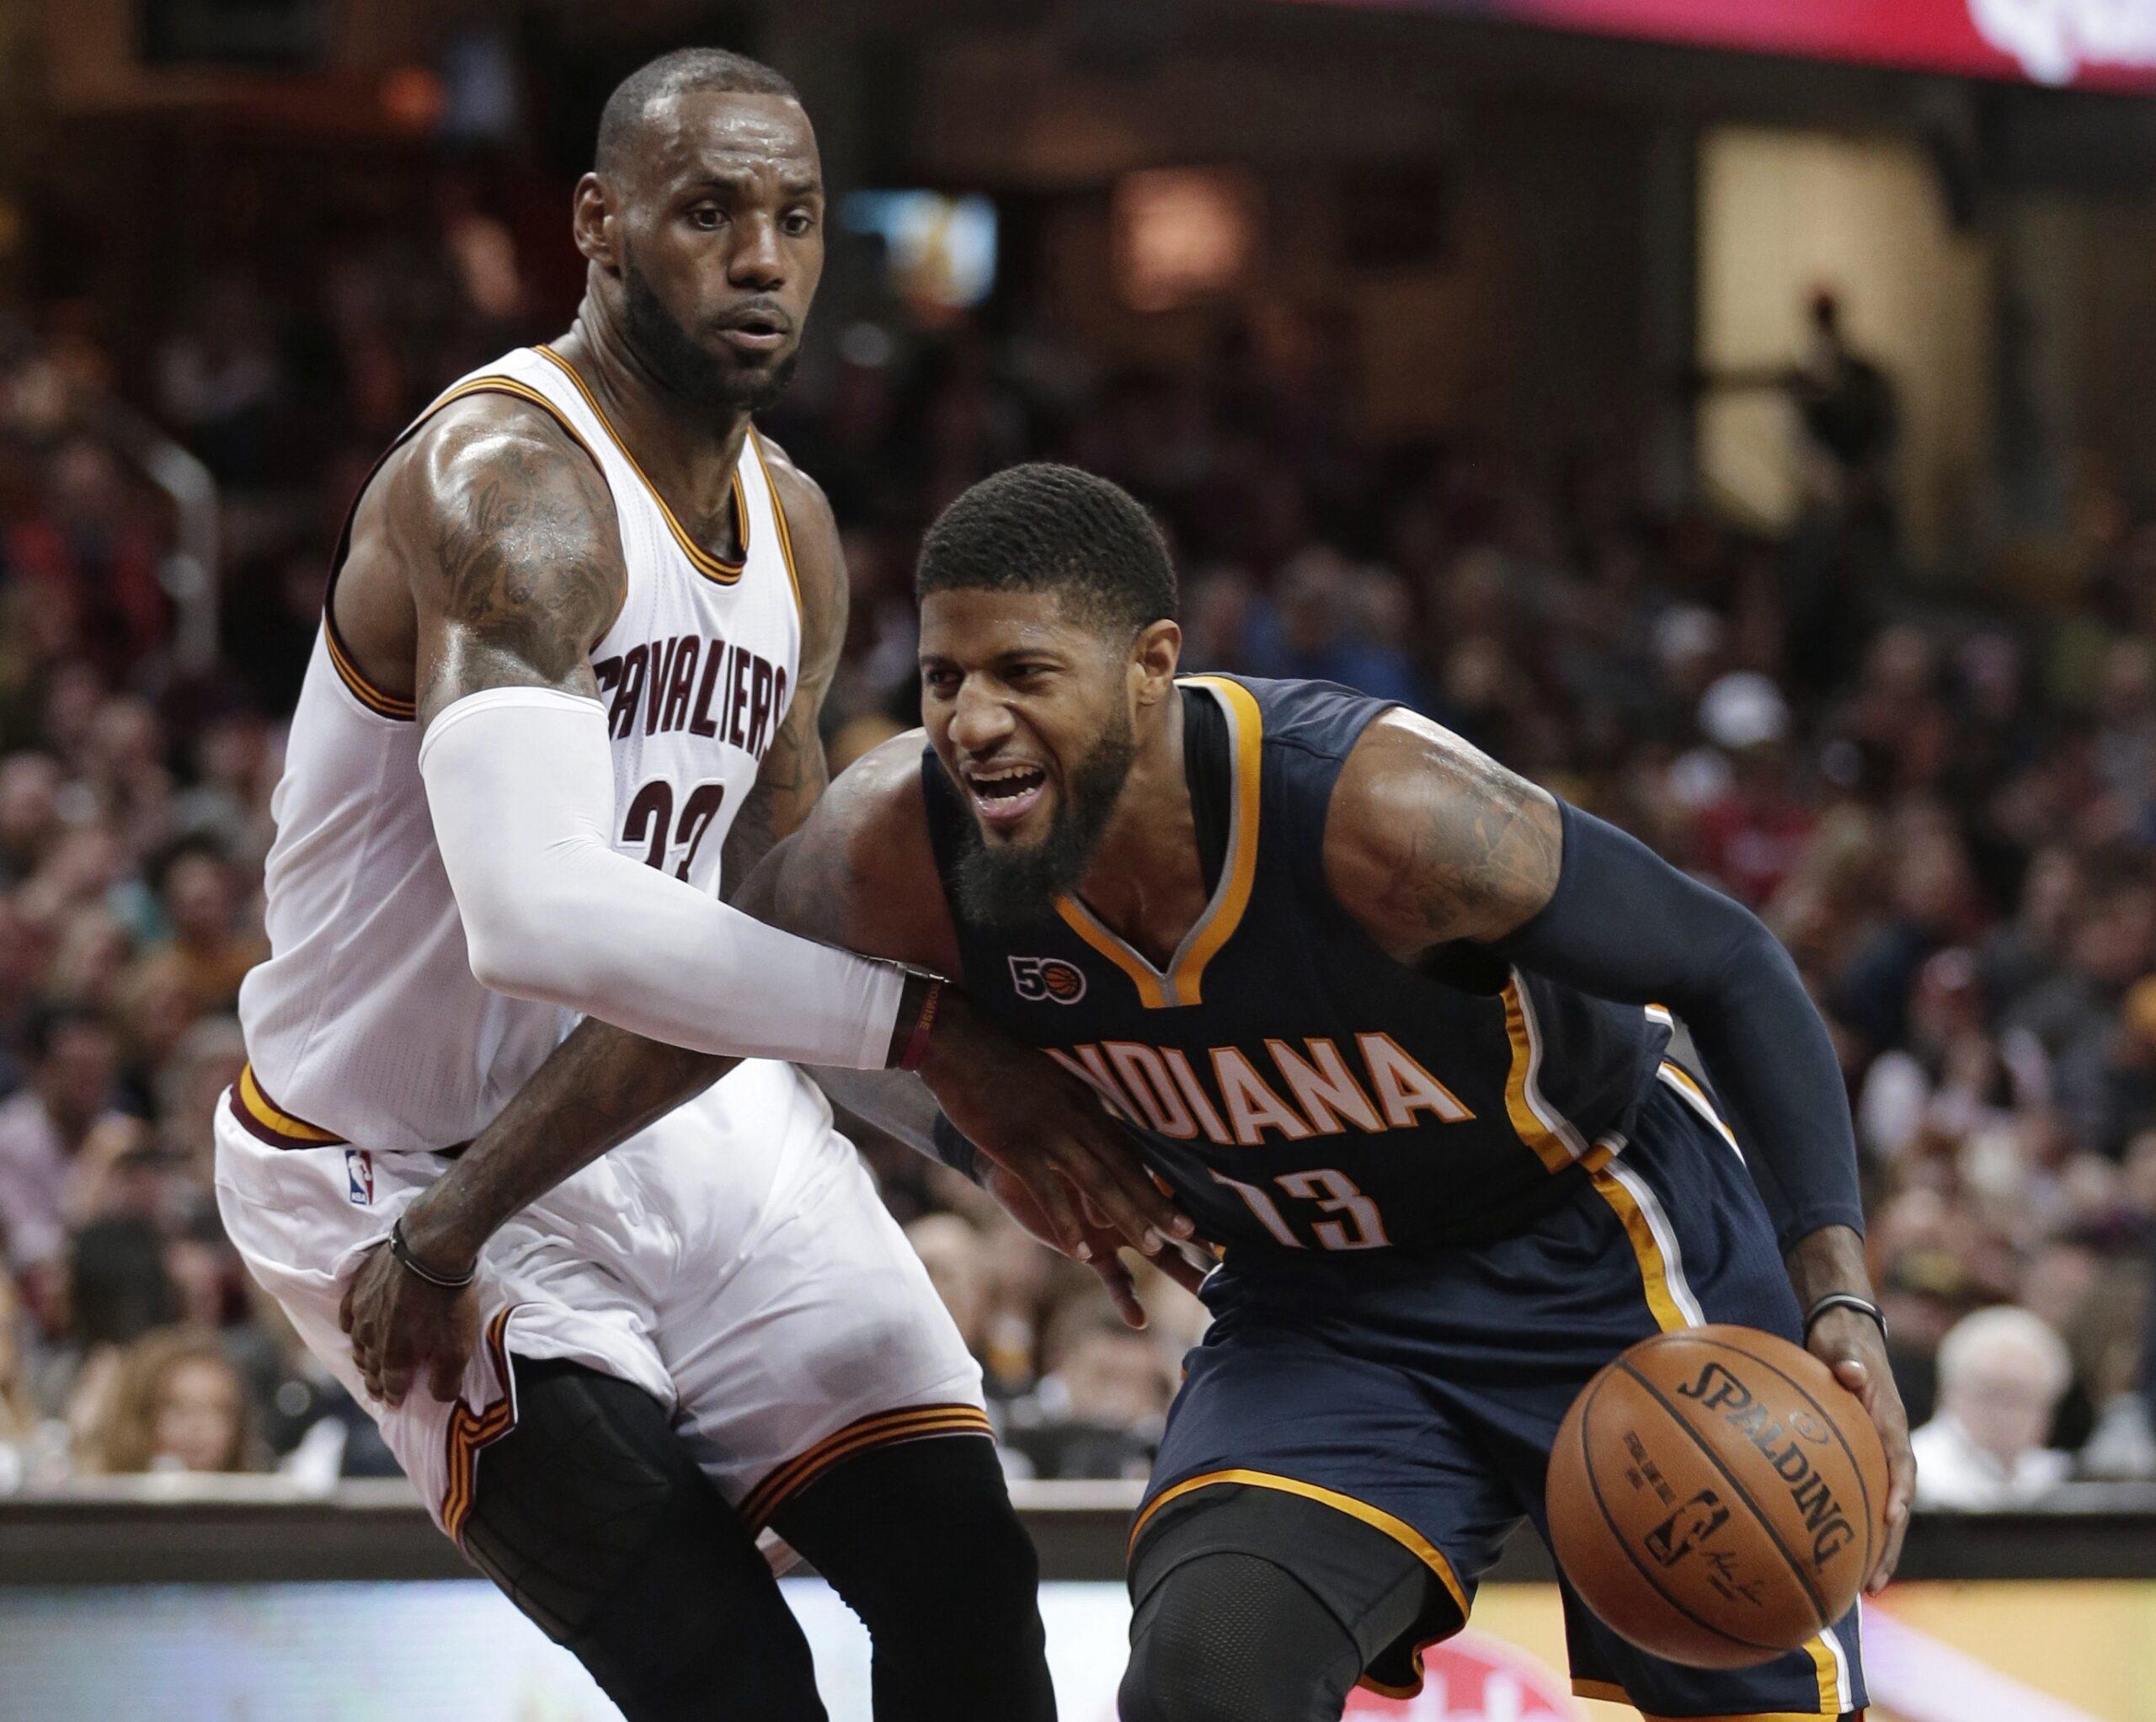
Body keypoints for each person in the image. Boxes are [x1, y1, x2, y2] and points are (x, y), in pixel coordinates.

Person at [214, 51, 1181, 1722]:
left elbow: (773, 934)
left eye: (796, 220)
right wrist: (935, 1037)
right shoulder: (506, 484)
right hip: (398, 1160)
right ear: (597, 224)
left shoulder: (789, 525)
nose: (761, 260)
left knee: (967, 1590)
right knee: (726, 1672)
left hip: (675, 1119)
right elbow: (541, 916)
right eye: (711, 213)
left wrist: (999, 1142)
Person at [729, 461, 1908, 1720]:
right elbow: (743, 976)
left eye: (1024, 673)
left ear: (1150, 665)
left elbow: (1729, 960)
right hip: (1317, 1300)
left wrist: (1838, 1295)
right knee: (1204, 1682)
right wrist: (962, 1100)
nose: (971, 720)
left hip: (1595, 1238)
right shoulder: (899, 843)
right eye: (944, 678)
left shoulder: (1379, 810)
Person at [1909, 1305, 2072, 1509]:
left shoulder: (2056, 1477)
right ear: (1948, 1392)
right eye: (1991, 1393)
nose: (2006, 1415)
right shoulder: (1914, 1473)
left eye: (2023, 1398)